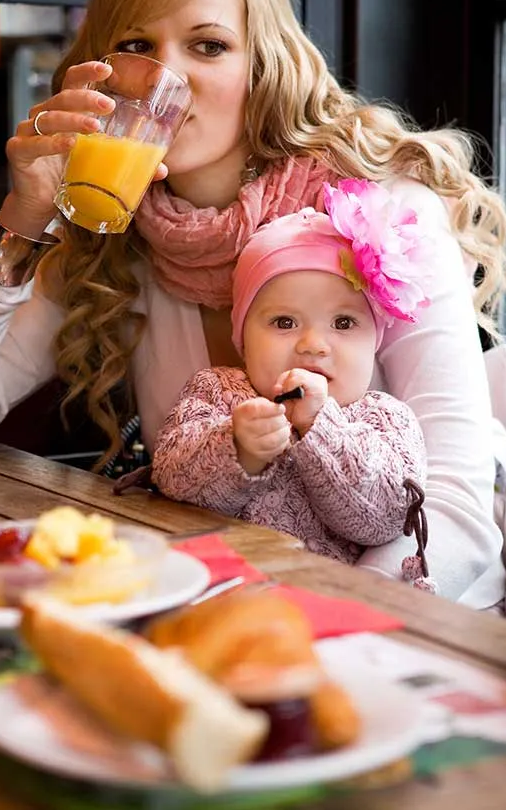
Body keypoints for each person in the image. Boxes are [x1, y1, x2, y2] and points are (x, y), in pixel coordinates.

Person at [0, 0, 506, 607]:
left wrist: (313, 620)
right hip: (219, 603)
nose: (167, 77)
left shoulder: (381, 209)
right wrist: (23, 220)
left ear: (261, 64)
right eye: (137, 45)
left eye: (208, 45)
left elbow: (454, 509)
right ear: (101, 75)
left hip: (415, 613)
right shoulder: (115, 231)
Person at [151, 184, 435, 589]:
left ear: (374, 342)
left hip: (329, 601)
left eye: (343, 323)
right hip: (218, 592)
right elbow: (170, 477)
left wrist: (322, 428)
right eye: (284, 322)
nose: (313, 345)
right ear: (243, 338)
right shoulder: (216, 392)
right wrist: (238, 448)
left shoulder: (385, 419)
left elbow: (388, 518)